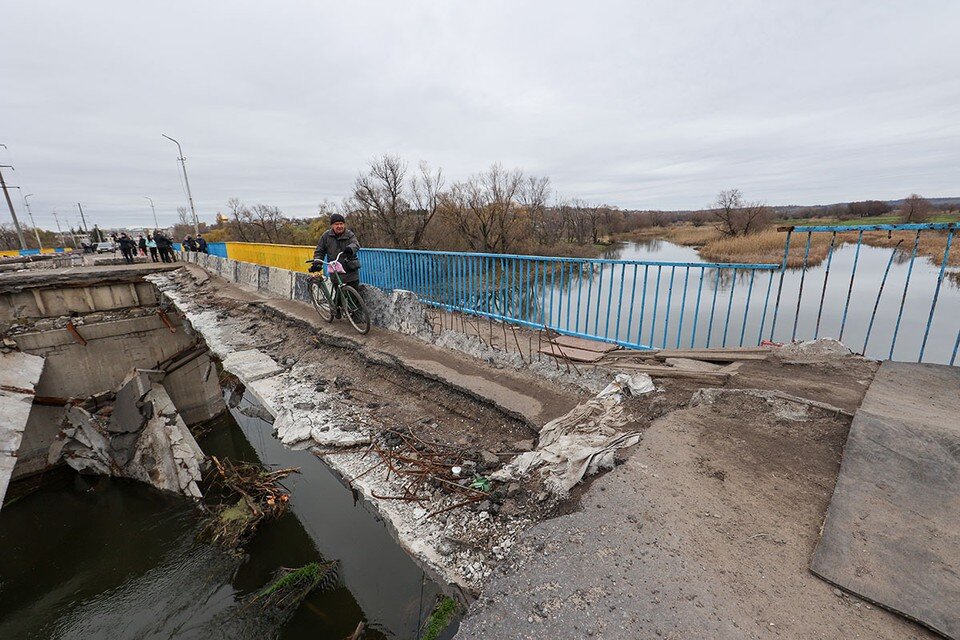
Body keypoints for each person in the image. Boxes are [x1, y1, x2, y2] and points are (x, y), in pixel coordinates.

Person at [311, 213, 361, 317]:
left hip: (350, 268)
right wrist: (317, 261)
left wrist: (350, 249)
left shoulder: (349, 234)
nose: (339, 226)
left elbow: (356, 244)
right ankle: (336, 308)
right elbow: (320, 251)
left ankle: (355, 315)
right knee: (338, 292)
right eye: (336, 224)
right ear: (332, 225)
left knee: (354, 294)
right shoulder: (326, 236)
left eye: (341, 223)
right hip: (336, 270)